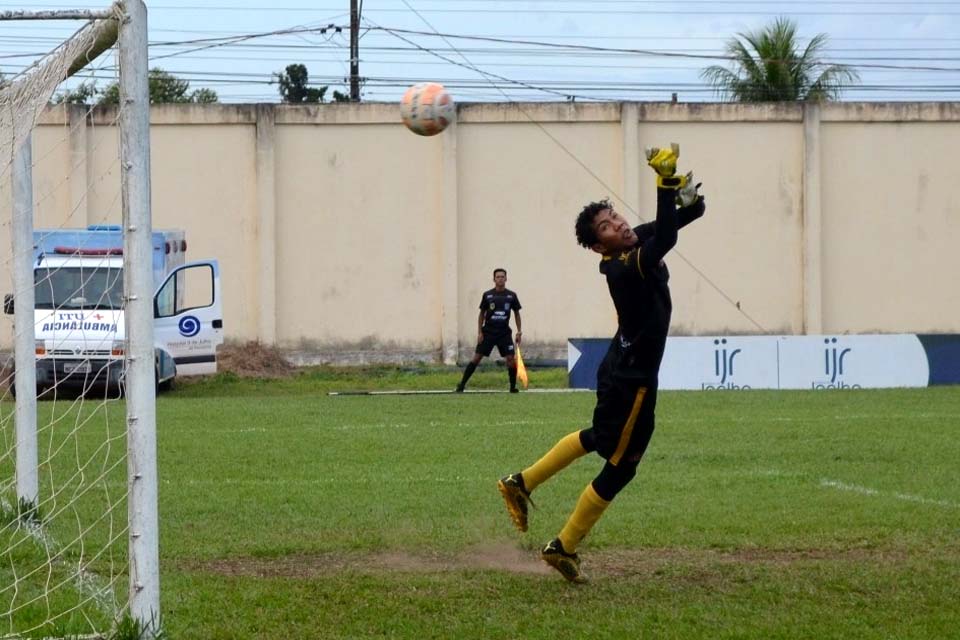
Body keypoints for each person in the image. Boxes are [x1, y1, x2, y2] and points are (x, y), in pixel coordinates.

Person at [497, 143, 705, 583]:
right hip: (632, 380)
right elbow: (665, 237)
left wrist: (689, 199)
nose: (619, 225)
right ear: (598, 247)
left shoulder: (631, 245)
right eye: (607, 227)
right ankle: (562, 545)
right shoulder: (624, 266)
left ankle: (522, 483)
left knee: (600, 439)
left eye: (615, 217)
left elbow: (675, 223)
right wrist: (665, 184)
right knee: (622, 464)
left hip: (621, 370)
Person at [456, 268, 523, 393]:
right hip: (488, 332)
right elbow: (481, 314)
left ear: (506, 279)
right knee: (476, 358)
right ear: (494, 279)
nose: (500, 279)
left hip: (504, 333)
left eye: (502, 277)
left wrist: (519, 331)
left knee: (510, 359)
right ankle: (461, 385)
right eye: (498, 277)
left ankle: (512, 387)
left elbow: (517, 314)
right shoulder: (487, 295)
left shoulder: (511, 295)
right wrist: (480, 332)